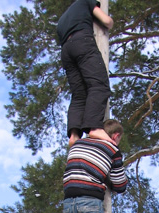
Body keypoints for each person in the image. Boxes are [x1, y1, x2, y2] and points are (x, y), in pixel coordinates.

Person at [57, 0, 114, 146]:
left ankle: (74, 134)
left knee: (79, 94)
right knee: (99, 85)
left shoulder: (62, 20)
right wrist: (111, 22)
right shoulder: (86, 2)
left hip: (66, 51)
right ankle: (94, 127)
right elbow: (106, 21)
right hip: (82, 41)